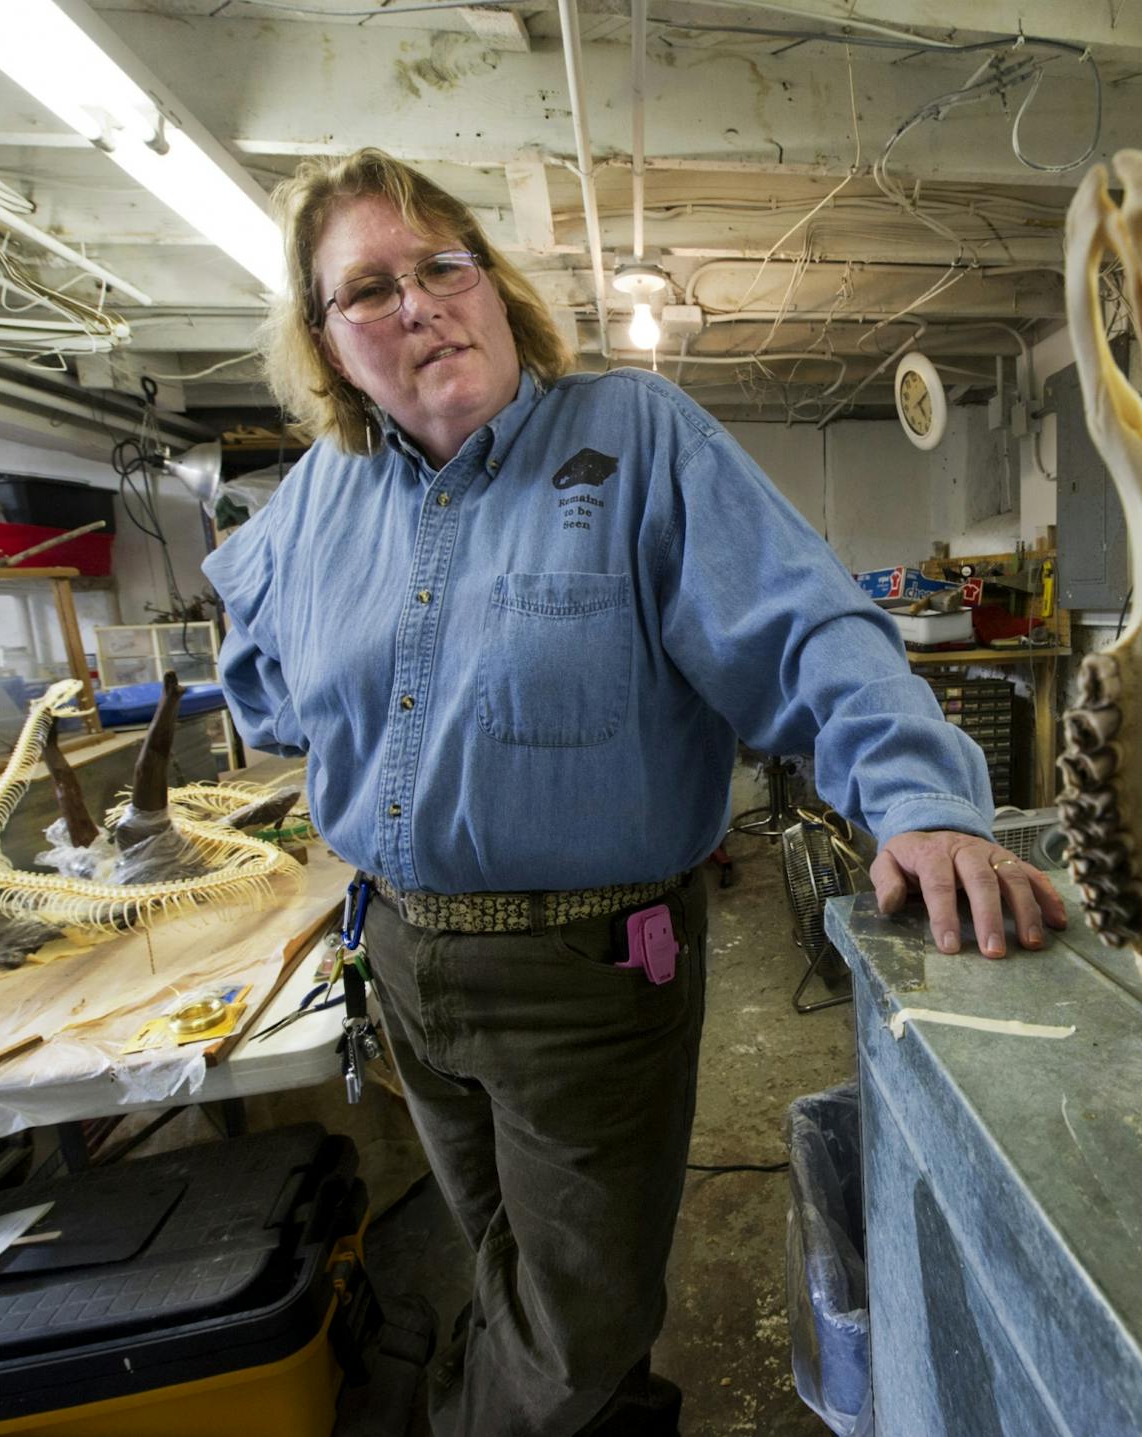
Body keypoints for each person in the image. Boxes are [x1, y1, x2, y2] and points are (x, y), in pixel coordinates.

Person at [205, 148, 1064, 1437]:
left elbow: (810, 632)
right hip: (398, 961)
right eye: (368, 289)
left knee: (569, 1327)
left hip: (592, 982)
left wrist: (921, 801)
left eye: (444, 265)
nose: (419, 302)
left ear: (495, 289)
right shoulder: (321, 494)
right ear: (327, 344)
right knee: (510, 1275)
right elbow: (254, 665)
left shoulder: (636, 438)